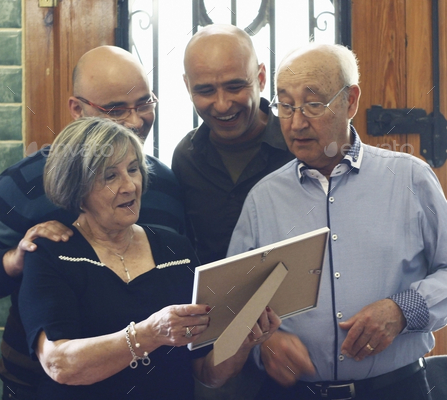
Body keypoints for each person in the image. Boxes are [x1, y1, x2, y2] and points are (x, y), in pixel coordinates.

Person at [227, 43, 447, 400]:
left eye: (313, 104)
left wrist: (401, 310)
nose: (296, 122)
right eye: (285, 105)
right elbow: (234, 305)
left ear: (350, 101)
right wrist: (263, 345)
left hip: (396, 389)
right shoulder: (263, 199)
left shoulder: (409, 177)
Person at [0, 46, 185, 399]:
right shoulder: (27, 181)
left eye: (144, 103)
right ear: (78, 109)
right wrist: (15, 260)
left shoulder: (162, 180)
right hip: (43, 384)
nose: (135, 121)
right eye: (116, 109)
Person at [18, 117, 281, 399]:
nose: (130, 185)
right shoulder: (50, 253)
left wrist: (242, 340)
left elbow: (207, 373)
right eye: (110, 176)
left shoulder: (175, 250)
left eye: (133, 169)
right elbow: (59, 364)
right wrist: (149, 334)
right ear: (78, 189)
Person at [172, 24, 294, 265]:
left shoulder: (297, 146)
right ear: (188, 87)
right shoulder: (186, 157)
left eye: (235, 87)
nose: (222, 104)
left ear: (260, 78)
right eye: (206, 90)